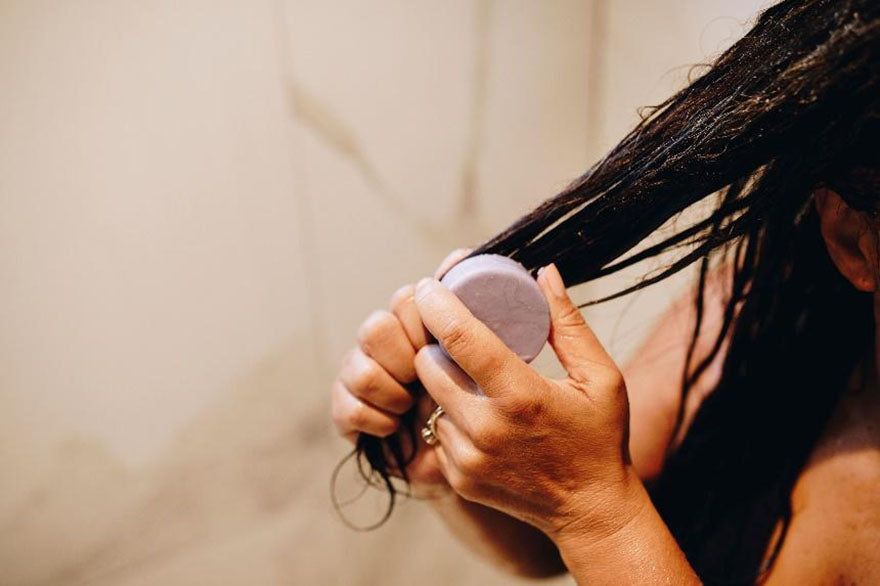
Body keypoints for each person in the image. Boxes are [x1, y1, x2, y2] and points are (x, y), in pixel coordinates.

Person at [331, 0, 880, 583]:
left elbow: (589, 512)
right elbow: (545, 549)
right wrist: (444, 452)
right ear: (852, 239)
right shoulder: (752, 312)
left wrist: (595, 513)